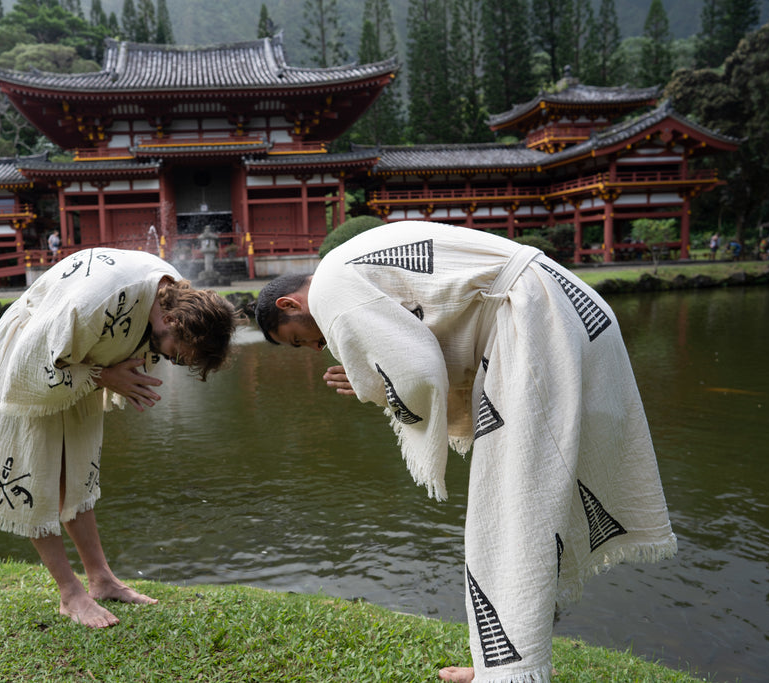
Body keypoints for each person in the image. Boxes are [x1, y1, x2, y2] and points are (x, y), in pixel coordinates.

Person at [255, 221, 677, 683]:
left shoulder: (330, 289)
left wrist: (372, 387)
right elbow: (426, 333)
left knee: (510, 510)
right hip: (559, 308)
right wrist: (374, 379)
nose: (317, 347)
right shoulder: (345, 267)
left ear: (289, 304)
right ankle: (507, 663)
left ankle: (510, 672)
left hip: (533, 320)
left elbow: (415, 370)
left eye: (301, 338)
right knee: (534, 502)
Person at [0, 246, 238, 629]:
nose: (172, 362)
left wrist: (105, 373)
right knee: (35, 473)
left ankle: (101, 579)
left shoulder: (170, 288)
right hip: (32, 359)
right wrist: (104, 377)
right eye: (176, 355)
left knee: (76, 468)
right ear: (169, 319)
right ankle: (71, 595)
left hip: (83, 361)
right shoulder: (96, 301)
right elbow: (29, 366)